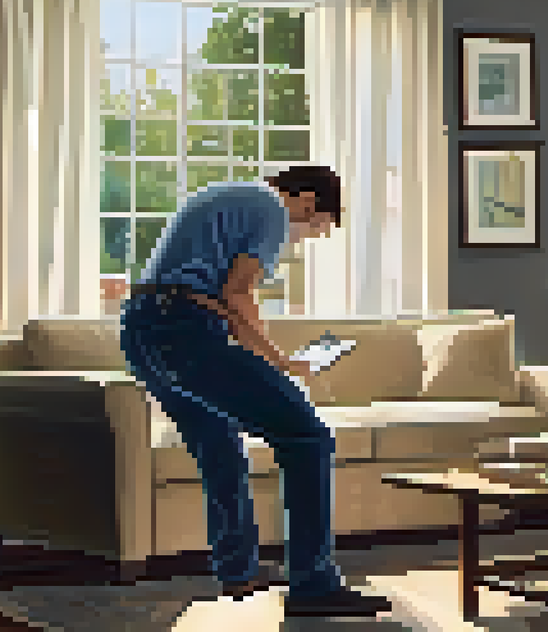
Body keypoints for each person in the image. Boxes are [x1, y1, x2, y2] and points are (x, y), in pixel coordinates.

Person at [118, 165, 392, 618]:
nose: (302, 237)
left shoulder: (225, 194)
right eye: (316, 226)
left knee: (218, 442)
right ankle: (313, 583)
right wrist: (282, 362)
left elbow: (219, 297)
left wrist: (263, 355)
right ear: (305, 202)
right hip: (183, 329)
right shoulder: (270, 208)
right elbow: (239, 293)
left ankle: (238, 570)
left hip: (143, 326)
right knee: (308, 437)